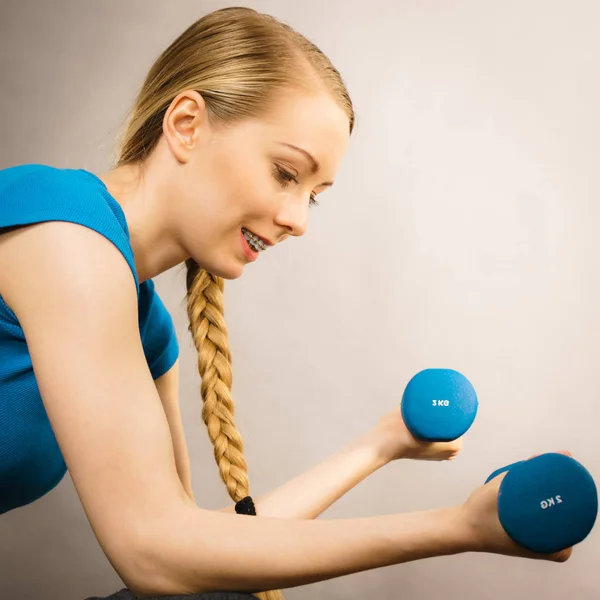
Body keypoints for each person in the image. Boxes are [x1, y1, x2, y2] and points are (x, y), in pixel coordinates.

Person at [0, 6, 572, 600]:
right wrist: (458, 528)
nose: (297, 220)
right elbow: (155, 553)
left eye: (315, 197)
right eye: (284, 173)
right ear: (187, 123)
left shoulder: (145, 329)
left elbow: (197, 553)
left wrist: (381, 445)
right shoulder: (62, 234)